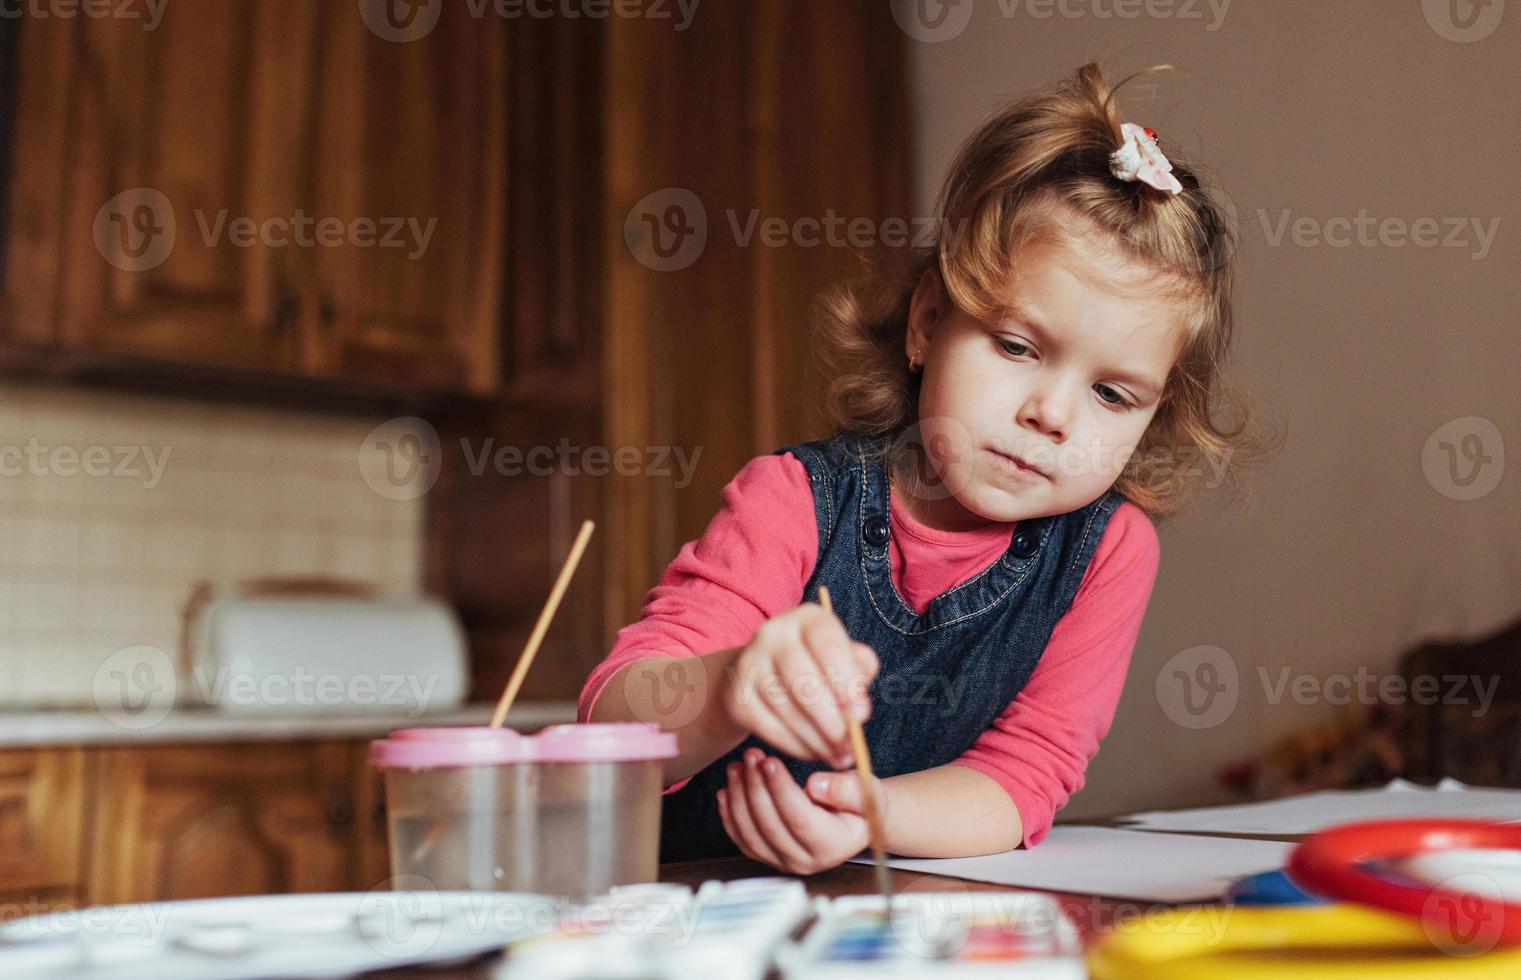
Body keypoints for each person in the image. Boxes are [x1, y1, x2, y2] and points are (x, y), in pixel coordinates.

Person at [580, 62, 1267, 870]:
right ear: (926, 323)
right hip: (683, 908)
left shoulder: (1108, 552)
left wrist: (875, 813)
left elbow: (1024, 775)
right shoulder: (797, 500)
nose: (1049, 415)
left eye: (1113, 395)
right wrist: (730, 684)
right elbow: (612, 730)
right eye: (1015, 346)